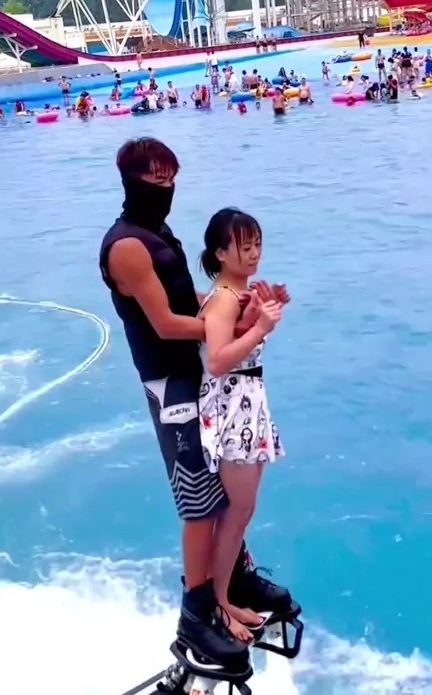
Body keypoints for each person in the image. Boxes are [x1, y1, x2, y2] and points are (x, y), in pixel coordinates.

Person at [99, 138, 291, 665]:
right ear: (132, 181)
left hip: (198, 381)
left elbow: (191, 303)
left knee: (222, 495)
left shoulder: (161, 235)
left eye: (171, 180)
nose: (166, 189)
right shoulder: (127, 247)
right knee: (199, 504)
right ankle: (197, 614)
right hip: (170, 384)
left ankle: (232, 582)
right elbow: (165, 323)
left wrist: (236, 303)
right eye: (156, 180)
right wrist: (232, 319)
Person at [198, 208, 286, 642]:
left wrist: (258, 317)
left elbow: (237, 342)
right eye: (244, 246)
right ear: (220, 252)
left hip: (248, 406)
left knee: (241, 510)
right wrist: (260, 327)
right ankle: (219, 602)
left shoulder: (239, 295)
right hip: (233, 410)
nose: (254, 254)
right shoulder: (223, 298)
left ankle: (224, 595)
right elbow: (216, 361)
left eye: (257, 245)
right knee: (237, 511)